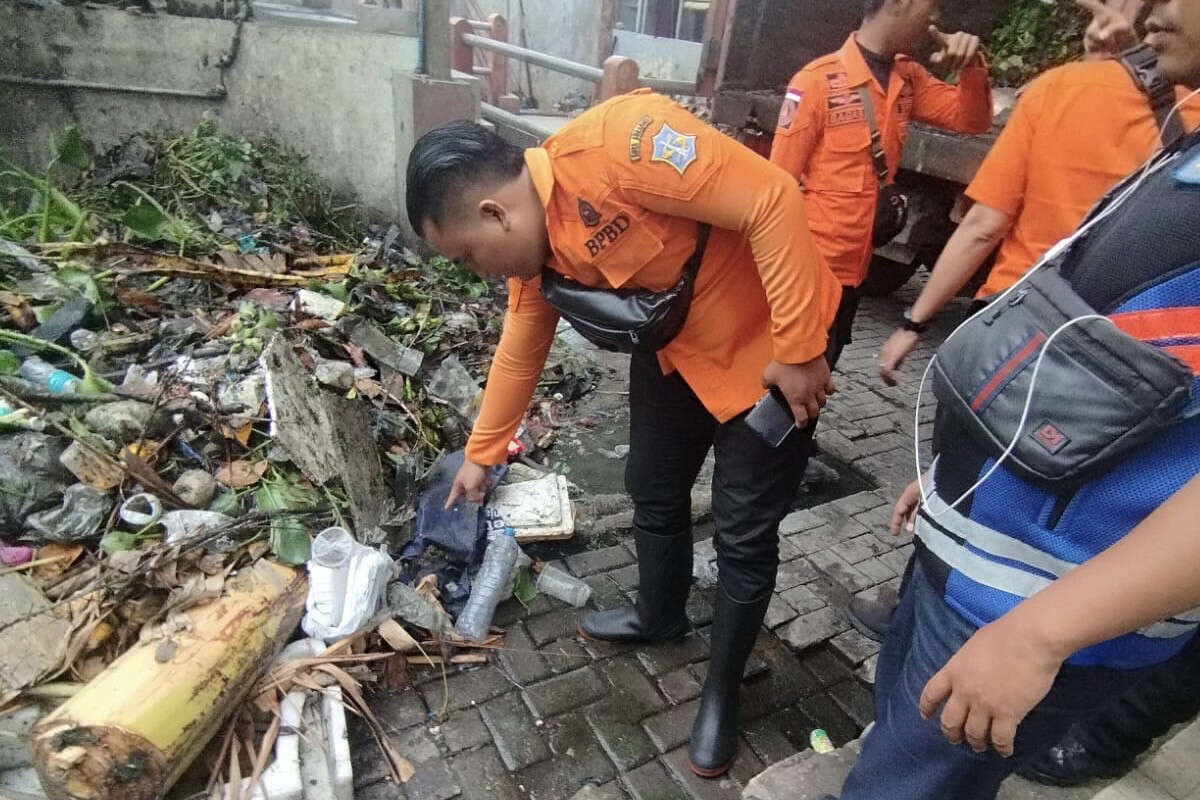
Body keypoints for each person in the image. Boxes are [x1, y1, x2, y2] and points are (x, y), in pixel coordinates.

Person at [816, 2, 1200, 798]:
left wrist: (1038, 636)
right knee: (896, 747)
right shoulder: (1183, 147)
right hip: (975, 547)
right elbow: (1105, 360)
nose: (1147, 10)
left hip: (1027, 602)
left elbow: (987, 218)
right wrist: (969, 473)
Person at [407, 90, 843, 778]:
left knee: (743, 530)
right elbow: (521, 348)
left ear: (495, 212)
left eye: (466, 255)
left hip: (773, 346)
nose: (476, 272)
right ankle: (660, 613)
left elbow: (772, 198)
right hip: (676, 350)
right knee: (653, 488)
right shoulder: (539, 254)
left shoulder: (623, 146)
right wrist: (482, 456)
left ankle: (723, 691)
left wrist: (799, 348)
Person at [770, 0, 992, 371]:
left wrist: (972, 67)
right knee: (780, 397)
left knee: (813, 392)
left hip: (853, 276)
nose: (934, 18)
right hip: (807, 279)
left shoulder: (908, 79)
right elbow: (776, 190)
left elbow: (970, 121)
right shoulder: (816, 82)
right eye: (930, 7)